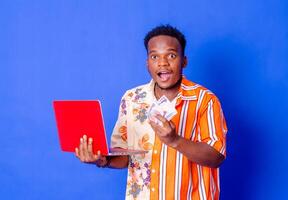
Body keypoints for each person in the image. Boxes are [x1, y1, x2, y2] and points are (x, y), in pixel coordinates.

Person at [75, 25, 227, 200]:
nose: (163, 63)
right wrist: (101, 160)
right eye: (154, 56)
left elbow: (217, 157)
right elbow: (125, 156)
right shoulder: (131, 98)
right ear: (147, 62)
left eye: (171, 55)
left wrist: (174, 140)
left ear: (184, 61)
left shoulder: (205, 100)